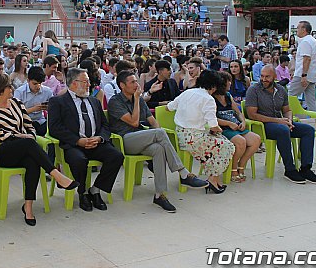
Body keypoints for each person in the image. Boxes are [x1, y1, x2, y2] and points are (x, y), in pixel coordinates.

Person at [0, 73, 79, 225]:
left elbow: (29, 125)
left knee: (32, 161)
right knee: (27, 143)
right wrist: (22, 136)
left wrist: (30, 135)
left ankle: (28, 207)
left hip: (24, 148)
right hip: (4, 152)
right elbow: (0, 135)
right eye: (8, 86)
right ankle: (56, 175)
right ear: (0, 90)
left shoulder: (16, 104)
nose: (12, 88)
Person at [108, 71, 208, 212]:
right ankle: (183, 173)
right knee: (159, 134)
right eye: (132, 82)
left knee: (158, 149)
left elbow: (154, 123)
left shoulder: (140, 100)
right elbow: (134, 122)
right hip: (125, 141)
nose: (136, 85)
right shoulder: (115, 101)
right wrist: (137, 99)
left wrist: (162, 139)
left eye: (137, 81)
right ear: (122, 85)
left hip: (142, 137)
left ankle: (159, 195)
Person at [48, 68, 124, 212]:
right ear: (74, 83)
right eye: (85, 81)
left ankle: (96, 189)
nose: (89, 84)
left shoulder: (94, 101)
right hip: (74, 145)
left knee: (116, 156)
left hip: (95, 143)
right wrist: (77, 141)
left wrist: (100, 138)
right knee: (79, 160)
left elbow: (105, 125)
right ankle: (82, 192)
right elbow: (55, 128)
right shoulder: (58, 102)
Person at [246, 65, 316, 184]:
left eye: (267, 76)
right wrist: (279, 121)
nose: (264, 79)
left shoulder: (281, 90)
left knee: (308, 130)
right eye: (262, 76)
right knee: (283, 130)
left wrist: (288, 120)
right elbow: (252, 115)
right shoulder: (253, 90)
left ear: (275, 77)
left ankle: (306, 168)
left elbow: (287, 110)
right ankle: (289, 169)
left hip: (281, 123)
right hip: (262, 125)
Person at [166, 70, 235, 193]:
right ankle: (213, 179)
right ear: (214, 86)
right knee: (228, 146)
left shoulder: (187, 92)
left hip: (180, 136)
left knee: (220, 143)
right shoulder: (208, 99)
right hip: (194, 139)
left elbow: (169, 107)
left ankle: (215, 178)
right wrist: (219, 130)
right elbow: (214, 125)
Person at [213, 72, 261, 183]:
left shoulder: (228, 96)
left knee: (256, 139)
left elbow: (238, 112)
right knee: (241, 142)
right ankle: (233, 169)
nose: (230, 83)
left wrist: (243, 121)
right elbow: (211, 119)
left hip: (236, 126)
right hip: (222, 129)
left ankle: (241, 165)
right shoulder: (212, 98)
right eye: (227, 81)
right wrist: (228, 124)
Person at [288, 21, 316, 111]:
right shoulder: (313, 41)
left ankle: (294, 116)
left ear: (304, 30)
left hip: (303, 75)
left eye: (298, 28)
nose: (296, 30)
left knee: (290, 96)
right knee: (311, 101)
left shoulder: (305, 42)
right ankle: (315, 121)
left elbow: (307, 59)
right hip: (312, 75)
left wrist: (303, 75)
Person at [13, 66, 53, 136]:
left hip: (41, 121)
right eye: (35, 83)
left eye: (40, 83)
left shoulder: (47, 91)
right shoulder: (19, 92)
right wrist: (33, 109)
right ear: (28, 81)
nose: (38, 86)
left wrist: (48, 108)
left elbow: (54, 109)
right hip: (24, 122)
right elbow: (16, 113)